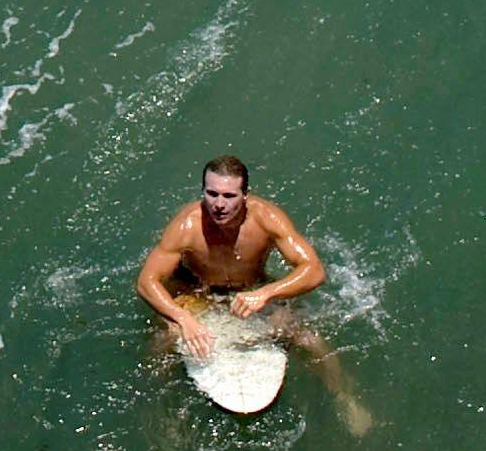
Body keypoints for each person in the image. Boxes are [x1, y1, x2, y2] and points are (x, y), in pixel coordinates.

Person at [139, 155, 370, 433]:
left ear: (245, 195)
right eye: (212, 194)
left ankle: (343, 395)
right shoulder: (186, 226)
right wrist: (181, 318)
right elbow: (146, 282)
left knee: (305, 337)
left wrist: (266, 293)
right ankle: (161, 412)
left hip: (251, 289)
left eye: (229, 196)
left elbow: (314, 270)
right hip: (197, 291)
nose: (219, 204)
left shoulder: (266, 219)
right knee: (164, 341)